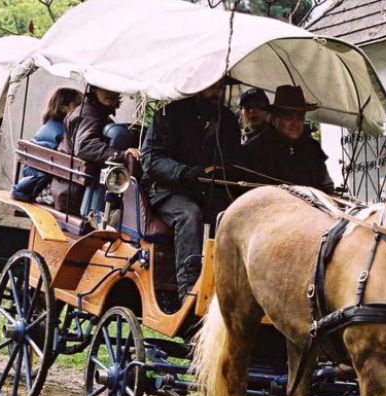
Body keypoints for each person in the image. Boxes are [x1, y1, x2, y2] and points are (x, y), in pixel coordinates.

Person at [142, 79, 243, 300]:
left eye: (219, 87)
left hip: (210, 192)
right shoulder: (168, 115)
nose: (216, 92)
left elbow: (236, 160)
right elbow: (150, 160)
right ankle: (189, 292)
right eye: (211, 86)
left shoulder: (227, 120)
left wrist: (225, 172)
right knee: (189, 215)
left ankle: (228, 290)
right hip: (168, 192)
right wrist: (185, 172)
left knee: (233, 218)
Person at [51, 86, 139, 220]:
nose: (111, 92)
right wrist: (122, 155)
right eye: (105, 88)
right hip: (74, 195)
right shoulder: (87, 113)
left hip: (72, 191)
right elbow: (84, 146)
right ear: (94, 89)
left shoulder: (97, 114)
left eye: (115, 89)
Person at [242, 85, 336, 194]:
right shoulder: (255, 150)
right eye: (288, 116)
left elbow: (326, 185)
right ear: (274, 119)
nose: (295, 123)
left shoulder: (311, 148)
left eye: (300, 116)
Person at [11, 87, 83, 202]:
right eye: (77, 106)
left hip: (32, 181)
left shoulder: (48, 126)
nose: (81, 111)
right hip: (43, 189)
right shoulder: (63, 133)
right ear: (63, 108)